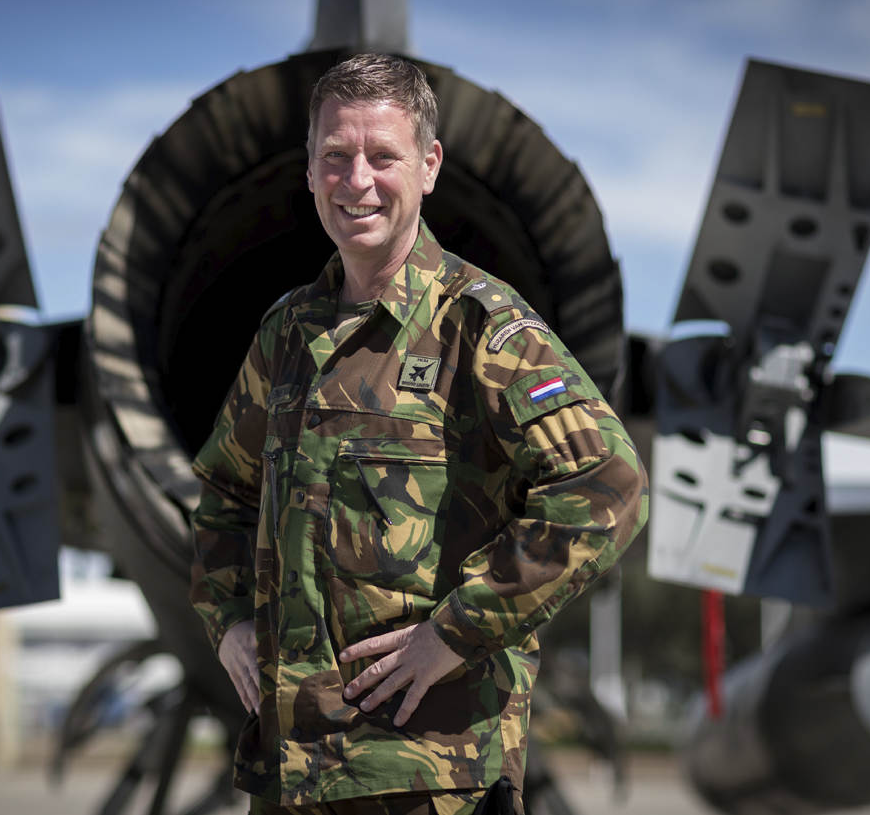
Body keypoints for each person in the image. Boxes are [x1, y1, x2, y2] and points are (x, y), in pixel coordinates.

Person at [190, 53, 648, 815]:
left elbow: (606, 483)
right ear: (309, 171)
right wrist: (229, 618)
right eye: (335, 156)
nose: (357, 180)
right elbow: (224, 491)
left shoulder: (481, 325)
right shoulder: (287, 333)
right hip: (293, 772)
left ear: (429, 166)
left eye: (383, 156)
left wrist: (457, 631)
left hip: (431, 775)